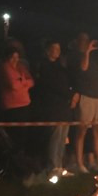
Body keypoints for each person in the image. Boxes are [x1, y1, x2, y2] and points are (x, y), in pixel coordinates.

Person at [68, 33, 98, 173]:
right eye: (83, 40)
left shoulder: (97, 58)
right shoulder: (75, 56)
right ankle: (79, 163)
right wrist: (86, 52)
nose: (86, 42)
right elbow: (83, 68)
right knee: (81, 131)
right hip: (87, 96)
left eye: (87, 40)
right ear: (78, 42)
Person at [33, 40, 76, 175]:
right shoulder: (45, 65)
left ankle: (60, 165)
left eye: (58, 48)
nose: (57, 51)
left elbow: (68, 81)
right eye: (54, 48)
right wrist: (70, 94)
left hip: (64, 106)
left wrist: (74, 94)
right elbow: (54, 85)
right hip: (53, 106)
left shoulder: (60, 66)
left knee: (63, 137)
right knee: (55, 137)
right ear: (47, 50)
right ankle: (52, 166)